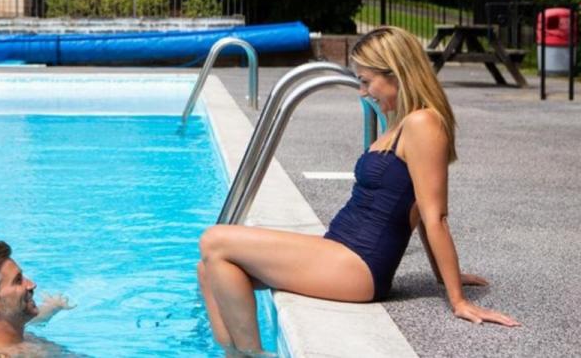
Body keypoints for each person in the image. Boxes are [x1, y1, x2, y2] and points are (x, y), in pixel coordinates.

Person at [197, 26, 519, 357]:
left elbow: (434, 214)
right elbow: (420, 211)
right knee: (208, 268)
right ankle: (233, 353)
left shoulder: (424, 123)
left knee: (215, 240)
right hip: (340, 249)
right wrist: (441, 275)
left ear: (397, 74)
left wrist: (458, 299)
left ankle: (252, 355)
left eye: (367, 81)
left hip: (360, 264)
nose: (363, 92)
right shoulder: (401, 123)